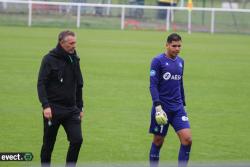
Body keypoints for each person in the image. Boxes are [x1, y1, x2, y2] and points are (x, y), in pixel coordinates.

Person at [37, 30, 84, 167]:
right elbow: (41, 84)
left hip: (71, 110)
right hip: (53, 109)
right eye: (71, 43)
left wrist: (80, 107)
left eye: (75, 42)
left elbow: (79, 84)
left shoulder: (74, 59)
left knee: (77, 140)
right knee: (48, 144)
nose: (74, 45)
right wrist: (45, 105)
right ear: (61, 43)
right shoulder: (48, 59)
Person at [149, 33, 192, 167]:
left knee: (187, 139)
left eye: (179, 46)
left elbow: (180, 84)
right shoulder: (157, 61)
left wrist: (183, 105)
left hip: (178, 108)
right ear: (167, 45)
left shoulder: (181, 62)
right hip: (162, 109)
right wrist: (157, 106)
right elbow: (153, 85)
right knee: (158, 141)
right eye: (174, 46)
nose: (177, 49)